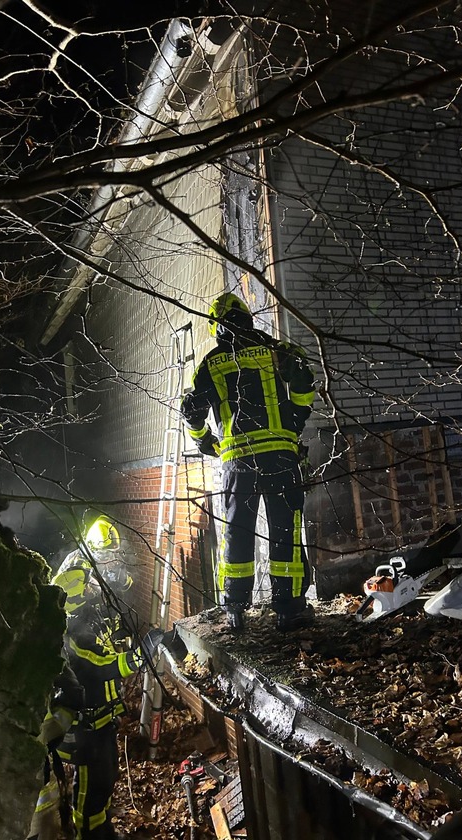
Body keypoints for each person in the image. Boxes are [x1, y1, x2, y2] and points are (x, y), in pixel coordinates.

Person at [180, 292, 316, 632]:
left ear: (216, 327)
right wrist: (293, 424)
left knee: (237, 533)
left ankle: (236, 609)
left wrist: (209, 445)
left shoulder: (209, 364)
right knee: (286, 531)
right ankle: (290, 608)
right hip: (281, 459)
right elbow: (305, 382)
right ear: (247, 318)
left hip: (237, 464)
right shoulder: (277, 350)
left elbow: (192, 413)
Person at [51, 515, 162, 840]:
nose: (112, 567)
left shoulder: (93, 594)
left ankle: (104, 830)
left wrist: (117, 576)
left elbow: (122, 585)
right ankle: (90, 834)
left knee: (106, 780)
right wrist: (143, 652)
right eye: (106, 560)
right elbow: (103, 666)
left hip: (104, 718)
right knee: (88, 794)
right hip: (84, 724)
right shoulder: (73, 620)